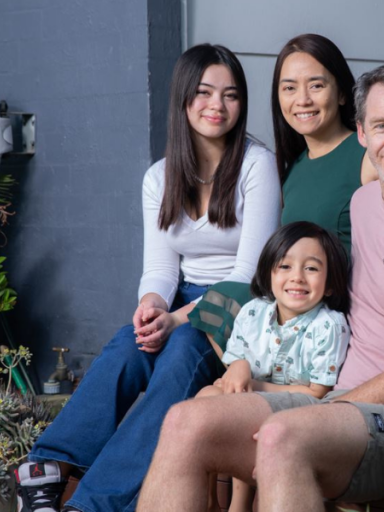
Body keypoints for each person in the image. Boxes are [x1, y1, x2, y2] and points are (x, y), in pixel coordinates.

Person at [138, 62, 384, 510]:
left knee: (283, 437)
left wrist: (323, 410)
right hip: (340, 400)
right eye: (382, 126)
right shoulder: (364, 202)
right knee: (185, 422)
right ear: (362, 135)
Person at [15, 44, 280, 512]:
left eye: (231, 95)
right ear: (182, 98)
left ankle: (93, 504)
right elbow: (159, 268)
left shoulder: (256, 165)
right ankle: (47, 467)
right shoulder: (159, 177)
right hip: (182, 302)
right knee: (128, 345)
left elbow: (247, 274)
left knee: (178, 353)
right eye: (203, 92)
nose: (217, 106)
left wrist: (177, 320)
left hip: (242, 310)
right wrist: (154, 305)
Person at [190, 33, 384, 352]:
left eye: (316, 85)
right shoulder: (294, 167)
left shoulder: (363, 153)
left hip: (338, 306)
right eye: (289, 88)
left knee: (218, 310)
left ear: (341, 94)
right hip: (299, 298)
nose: (302, 100)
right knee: (219, 306)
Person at [195, 221, 351, 512]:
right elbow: (237, 355)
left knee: (243, 410)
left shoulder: (329, 325)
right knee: (205, 399)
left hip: (298, 410)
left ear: (330, 284)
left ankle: (240, 505)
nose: (298, 277)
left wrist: (254, 387)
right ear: (269, 274)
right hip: (249, 399)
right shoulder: (254, 311)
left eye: (312, 268)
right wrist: (239, 367)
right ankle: (209, 502)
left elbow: (317, 392)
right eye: (285, 266)